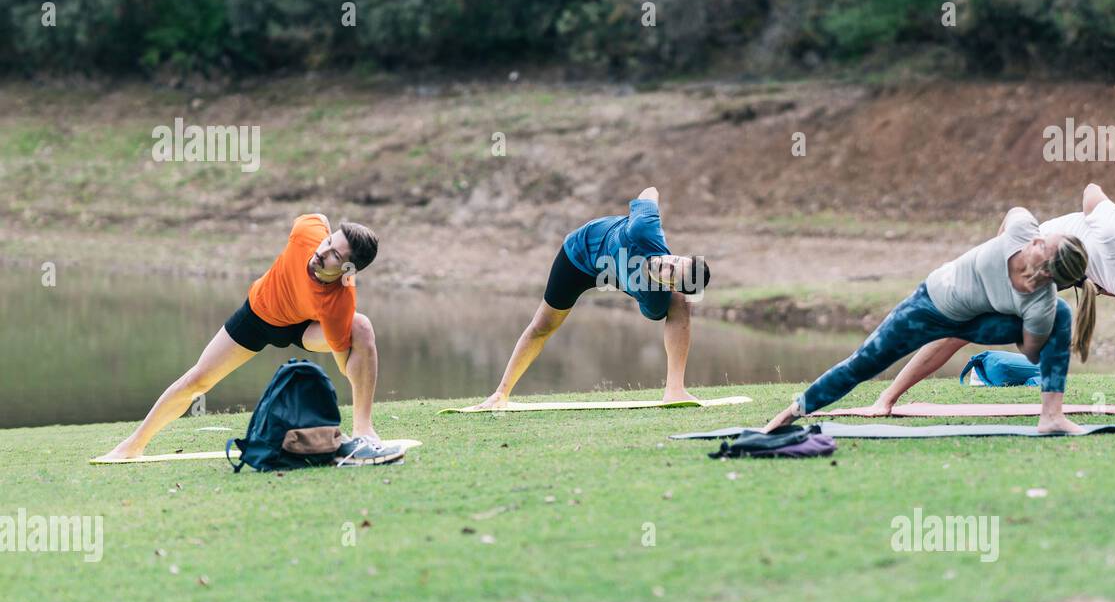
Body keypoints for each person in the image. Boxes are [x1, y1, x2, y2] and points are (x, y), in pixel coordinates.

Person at [864, 183, 1115, 414]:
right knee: (962, 327)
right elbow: (1091, 190)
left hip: (1070, 278)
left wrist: (1098, 285)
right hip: (1043, 256)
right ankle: (887, 397)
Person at [763, 208, 1092, 434]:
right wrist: (996, 250)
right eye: (1041, 237)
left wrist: (1030, 324)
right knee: (862, 364)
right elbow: (1014, 211)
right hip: (929, 307)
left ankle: (1052, 417)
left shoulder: (1041, 303)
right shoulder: (1021, 231)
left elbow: (1034, 351)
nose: (1036, 239)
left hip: (976, 321)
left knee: (1061, 314)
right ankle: (787, 415)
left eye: (1042, 246)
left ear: (1048, 272)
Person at [100, 213, 397, 463]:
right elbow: (319, 218)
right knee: (198, 380)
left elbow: (347, 364)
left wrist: (347, 349)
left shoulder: (339, 303)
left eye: (335, 255)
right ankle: (133, 445)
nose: (322, 251)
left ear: (347, 270)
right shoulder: (307, 232)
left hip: (302, 328)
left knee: (361, 328)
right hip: (258, 314)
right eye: (329, 241)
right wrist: (329, 235)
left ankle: (364, 432)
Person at [471, 187, 710, 410]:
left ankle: (675, 391)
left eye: (670, 272)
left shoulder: (655, 298)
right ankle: (500, 395)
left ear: (670, 285)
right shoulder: (645, 228)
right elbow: (650, 190)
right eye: (675, 260)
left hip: (616, 272)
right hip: (581, 253)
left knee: (681, 303)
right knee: (543, 325)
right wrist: (649, 207)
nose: (666, 263)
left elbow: (664, 310)